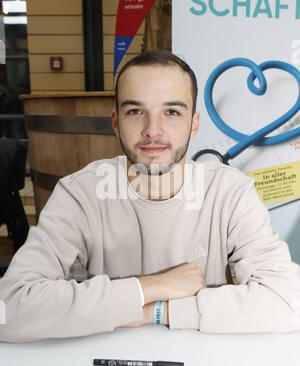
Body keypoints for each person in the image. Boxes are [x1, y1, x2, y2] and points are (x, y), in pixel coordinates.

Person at [0, 50, 299, 342]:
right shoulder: (80, 193)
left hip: (206, 364)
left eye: (171, 112)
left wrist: (159, 311)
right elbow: (8, 307)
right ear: (116, 122)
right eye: (135, 111)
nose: (152, 131)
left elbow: (289, 300)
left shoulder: (230, 192)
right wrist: (149, 287)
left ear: (194, 124)